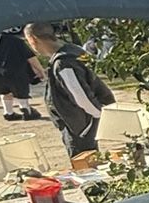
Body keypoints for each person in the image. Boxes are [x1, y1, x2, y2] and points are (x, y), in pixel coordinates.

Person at [24, 21, 115, 157]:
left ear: (33, 39)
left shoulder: (63, 63)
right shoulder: (73, 50)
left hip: (80, 125)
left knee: (84, 161)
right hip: (84, 121)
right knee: (90, 158)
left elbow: (81, 96)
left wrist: (97, 116)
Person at [0, 29, 43, 121]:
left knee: (4, 92)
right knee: (20, 91)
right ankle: (25, 108)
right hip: (15, 72)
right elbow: (31, 58)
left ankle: (8, 112)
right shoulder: (17, 41)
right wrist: (41, 71)